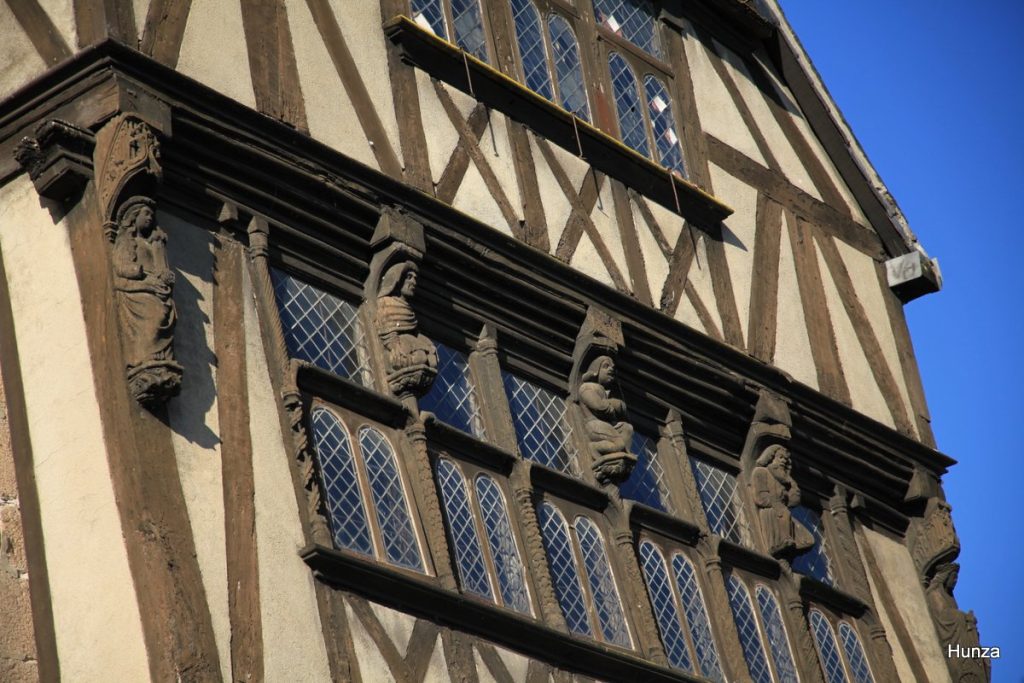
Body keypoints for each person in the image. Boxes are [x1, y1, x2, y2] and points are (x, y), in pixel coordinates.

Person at [376, 261, 437, 396]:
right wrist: (395, 347)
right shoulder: (386, 303)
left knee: (431, 360)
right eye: (409, 277)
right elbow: (386, 329)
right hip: (400, 347)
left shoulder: (408, 309)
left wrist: (427, 343)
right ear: (398, 279)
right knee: (418, 358)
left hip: (411, 344)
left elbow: (414, 331)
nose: (413, 282)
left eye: (415, 278)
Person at [578, 355, 634, 483]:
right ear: (595, 370)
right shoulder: (587, 387)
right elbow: (600, 407)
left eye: (612, 367)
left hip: (608, 424)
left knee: (627, 429)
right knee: (619, 444)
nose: (611, 369)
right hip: (594, 424)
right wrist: (615, 404)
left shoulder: (604, 390)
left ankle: (621, 458)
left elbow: (618, 412)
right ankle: (595, 448)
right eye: (606, 366)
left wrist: (619, 407)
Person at [752, 444, 813, 557]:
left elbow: (794, 500)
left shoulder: (784, 481)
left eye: (786, 459)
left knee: (808, 540)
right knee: (785, 515)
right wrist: (777, 505)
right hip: (772, 513)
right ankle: (780, 546)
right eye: (780, 457)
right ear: (771, 457)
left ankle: (787, 545)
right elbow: (760, 497)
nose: (783, 461)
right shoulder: (761, 472)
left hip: (783, 513)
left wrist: (791, 482)